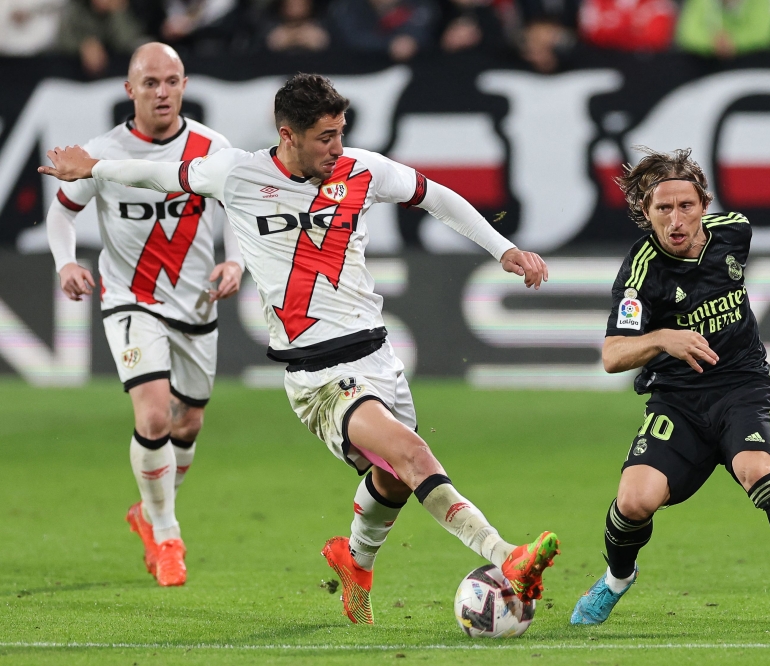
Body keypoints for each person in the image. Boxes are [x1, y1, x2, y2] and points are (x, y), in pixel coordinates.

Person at [39, 73, 559, 626]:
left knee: (391, 481)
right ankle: (508, 557)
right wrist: (92, 168)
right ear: (288, 135)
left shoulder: (362, 169)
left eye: (340, 133)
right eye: (324, 138)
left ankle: (354, 562)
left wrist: (503, 250)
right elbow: (157, 173)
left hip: (378, 358)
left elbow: (436, 197)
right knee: (411, 455)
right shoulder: (237, 173)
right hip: (317, 375)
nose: (337, 148)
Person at [569, 147, 770, 631]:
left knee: (757, 471)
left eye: (686, 206)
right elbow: (613, 355)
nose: (676, 220)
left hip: (742, 386)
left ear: (704, 204)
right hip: (677, 400)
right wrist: (662, 338)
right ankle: (616, 580)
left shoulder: (735, 231)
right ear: (646, 212)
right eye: (663, 209)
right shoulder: (640, 272)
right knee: (635, 501)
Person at [45, 42, 244, 587]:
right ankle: (167, 533)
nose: (163, 92)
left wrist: (234, 259)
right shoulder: (100, 152)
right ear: (129, 89)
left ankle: (149, 513)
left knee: (188, 422)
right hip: (130, 298)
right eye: (151, 82)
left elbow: (238, 209)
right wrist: (66, 263)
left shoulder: (211, 148)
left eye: (172, 81)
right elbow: (61, 215)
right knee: (154, 416)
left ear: (184, 85)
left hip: (196, 302)